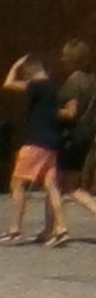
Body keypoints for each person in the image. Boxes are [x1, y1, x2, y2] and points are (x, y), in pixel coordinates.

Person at [0, 54, 70, 246]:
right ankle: (61, 229)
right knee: (51, 186)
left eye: (25, 73)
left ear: (30, 71)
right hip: (52, 143)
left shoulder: (39, 85)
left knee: (17, 183)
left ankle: (14, 230)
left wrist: (15, 65)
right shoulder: (53, 87)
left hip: (36, 142)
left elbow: (8, 84)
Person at [55, 38, 96, 235]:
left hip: (72, 136)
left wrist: (48, 111)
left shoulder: (74, 80)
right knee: (63, 184)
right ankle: (54, 228)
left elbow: (71, 112)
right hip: (87, 135)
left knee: (64, 186)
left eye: (65, 57)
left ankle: (55, 229)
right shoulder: (91, 79)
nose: (61, 60)